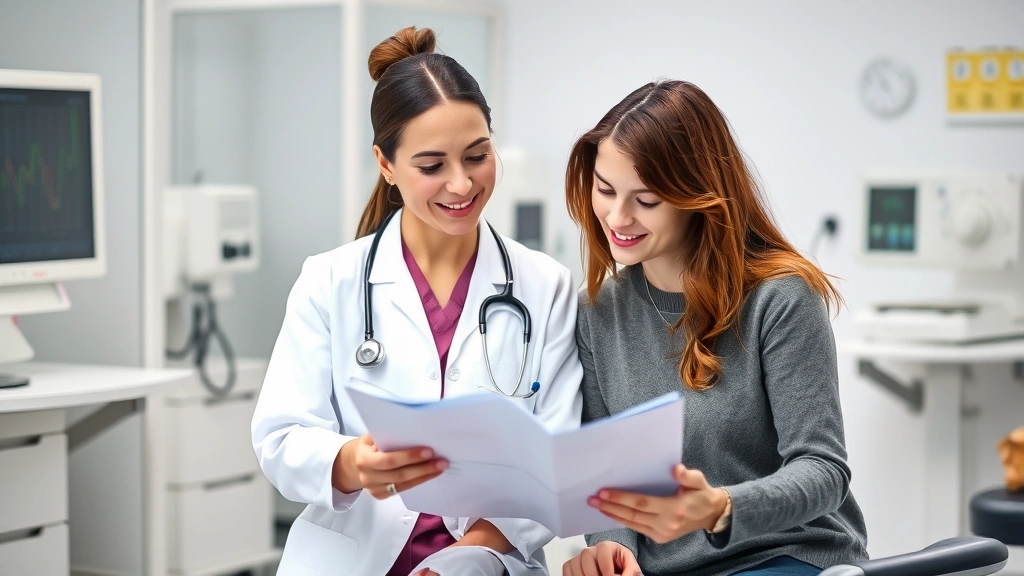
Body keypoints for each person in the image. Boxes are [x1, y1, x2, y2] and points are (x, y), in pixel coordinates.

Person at [251, 26, 582, 576]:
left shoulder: (544, 285)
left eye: (477, 156)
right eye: (432, 166)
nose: (461, 184)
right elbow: (279, 438)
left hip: (487, 562)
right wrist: (350, 461)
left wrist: (468, 555)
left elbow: (556, 455)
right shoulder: (329, 280)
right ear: (386, 165)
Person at [561, 80, 868, 576]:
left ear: (696, 196)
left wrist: (720, 507)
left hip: (785, 554)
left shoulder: (781, 298)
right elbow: (608, 475)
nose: (617, 217)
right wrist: (612, 550)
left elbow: (823, 471)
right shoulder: (596, 313)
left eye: (647, 199)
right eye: (605, 190)